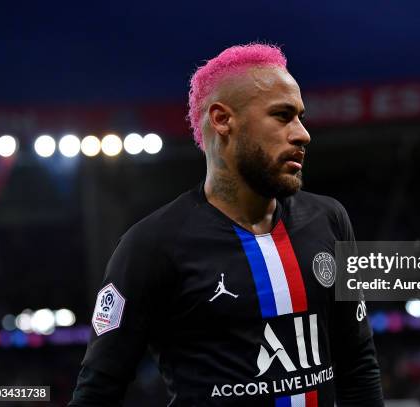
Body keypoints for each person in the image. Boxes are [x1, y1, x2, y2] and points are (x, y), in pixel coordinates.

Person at [69, 43, 384, 406]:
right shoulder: (151, 245)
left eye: (300, 116)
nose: (302, 134)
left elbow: (357, 365)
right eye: (282, 116)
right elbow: (97, 391)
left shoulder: (330, 220)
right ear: (222, 120)